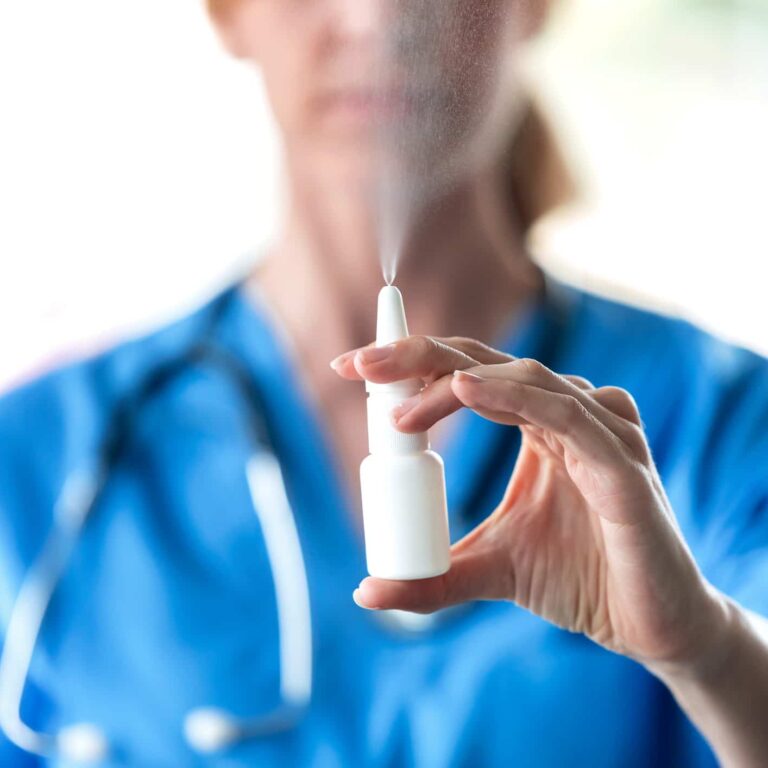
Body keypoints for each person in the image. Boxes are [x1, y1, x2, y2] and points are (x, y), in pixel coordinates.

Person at [1, 0, 767, 765]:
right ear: (227, 13)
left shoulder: (725, 425)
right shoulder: (35, 460)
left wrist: (712, 653)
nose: (376, 17)